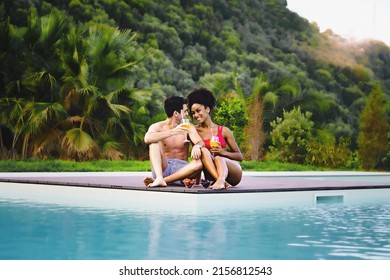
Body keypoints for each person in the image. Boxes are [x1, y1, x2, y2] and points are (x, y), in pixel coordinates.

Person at [187, 88, 243, 190]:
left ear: (207, 109)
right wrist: (197, 182)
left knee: (218, 158)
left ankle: (222, 180)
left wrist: (223, 152)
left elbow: (239, 156)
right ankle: (220, 180)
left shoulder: (224, 130)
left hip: (232, 173)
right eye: (193, 113)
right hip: (211, 174)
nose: (195, 115)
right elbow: (197, 158)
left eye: (198, 110)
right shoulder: (194, 132)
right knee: (203, 150)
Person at [143, 96, 204, 187]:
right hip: (164, 168)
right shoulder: (158, 126)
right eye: (185, 111)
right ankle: (159, 177)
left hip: (183, 170)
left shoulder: (188, 126)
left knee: (199, 164)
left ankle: (162, 180)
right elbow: (147, 139)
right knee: (153, 143)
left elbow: (200, 142)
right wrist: (173, 132)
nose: (187, 113)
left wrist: (197, 146)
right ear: (176, 113)